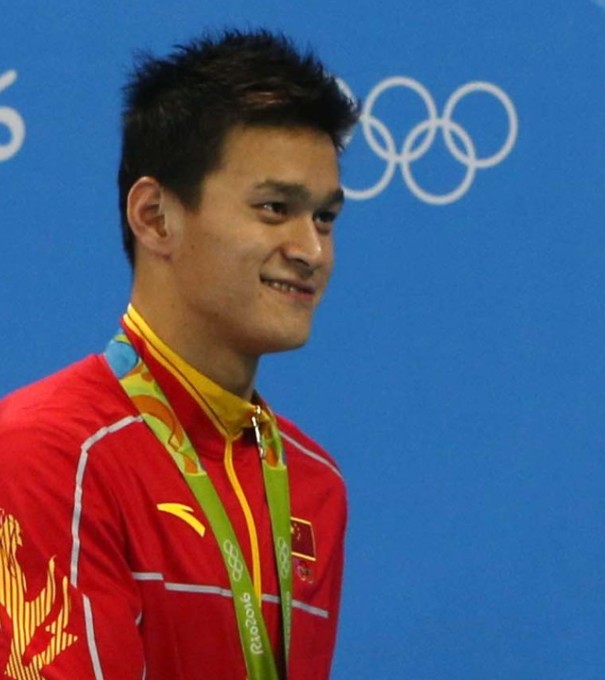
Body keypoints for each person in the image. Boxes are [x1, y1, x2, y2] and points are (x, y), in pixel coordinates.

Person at [0, 30, 358, 679]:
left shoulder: (314, 485)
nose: (312, 250)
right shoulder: (47, 455)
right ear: (156, 216)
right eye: (276, 209)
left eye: (325, 218)